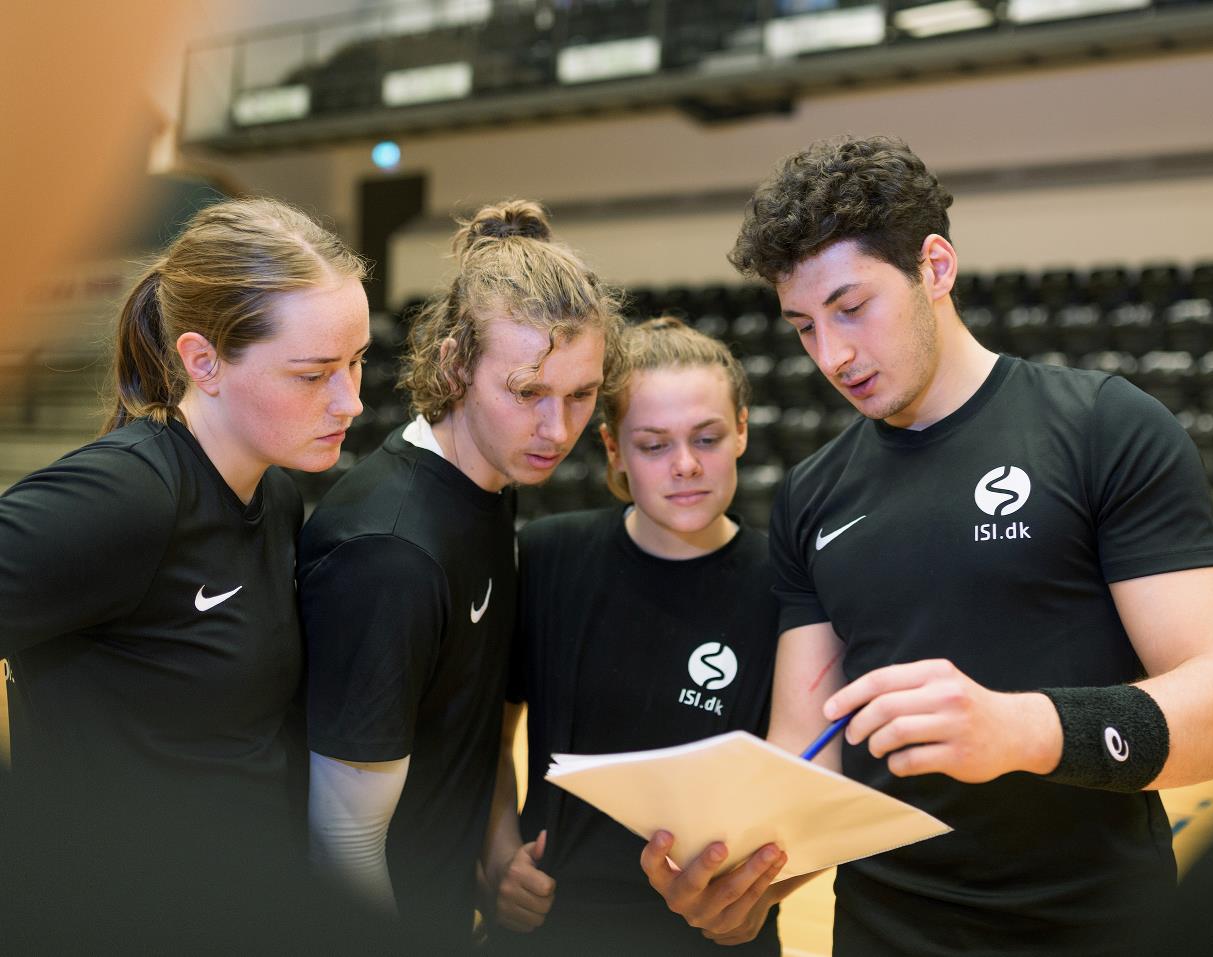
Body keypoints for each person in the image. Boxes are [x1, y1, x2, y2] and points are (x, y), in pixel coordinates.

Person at [639, 135, 1213, 956]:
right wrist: (749, 881)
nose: (832, 355)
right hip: (882, 930)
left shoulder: (1105, 427)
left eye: (851, 308)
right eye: (804, 327)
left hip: (1098, 926)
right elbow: (808, 751)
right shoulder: (811, 494)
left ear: (935, 267)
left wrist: (1021, 727)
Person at [298, 200, 622, 952]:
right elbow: (342, 843)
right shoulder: (391, 554)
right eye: (527, 392)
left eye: (581, 394)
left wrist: (493, 851)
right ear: (454, 367)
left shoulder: (489, 484)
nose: (558, 430)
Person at [0, 196, 368, 817]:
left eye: (356, 362)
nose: (350, 401)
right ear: (203, 362)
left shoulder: (277, 494)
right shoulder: (124, 496)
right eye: (313, 375)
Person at [481, 317, 782, 956]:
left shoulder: (785, 584)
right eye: (653, 445)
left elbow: (801, 793)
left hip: (714, 932)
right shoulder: (549, 556)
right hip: (554, 920)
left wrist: (756, 899)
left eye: (707, 438)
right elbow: (493, 735)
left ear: (742, 430)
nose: (685, 466)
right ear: (613, 448)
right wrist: (500, 848)